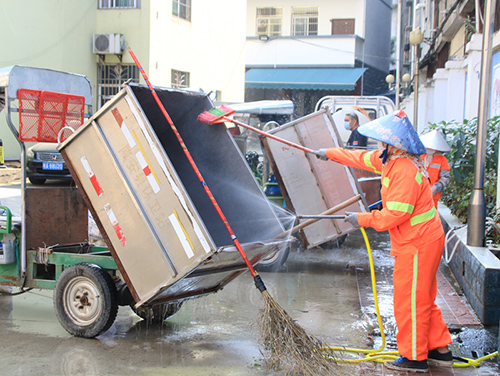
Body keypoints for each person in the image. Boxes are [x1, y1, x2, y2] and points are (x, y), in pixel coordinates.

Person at [313, 110, 452, 373]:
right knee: (423, 297)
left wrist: (361, 219)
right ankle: (439, 350)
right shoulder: (393, 159)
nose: (377, 145)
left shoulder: (403, 169)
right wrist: (329, 153)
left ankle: (414, 357)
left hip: (417, 242)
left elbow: (395, 215)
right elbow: (360, 157)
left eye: (381, 141)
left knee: (409, 300)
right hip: (422, 239)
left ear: (392, 143)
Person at [420, 130, 451, 208]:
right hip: (418, 193)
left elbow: (445, 178)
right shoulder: (420, 156)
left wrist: (435, 188)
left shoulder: (442, 160)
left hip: (433, 197)